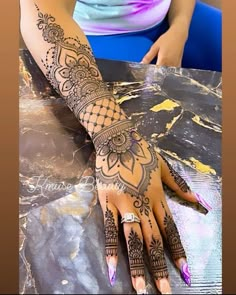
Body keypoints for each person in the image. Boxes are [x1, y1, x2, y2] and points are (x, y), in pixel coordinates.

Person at [19, 1, 213, 294]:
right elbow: (42, 11)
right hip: (98, 33)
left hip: (176, 19)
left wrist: (180, 28)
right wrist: (114, 137)